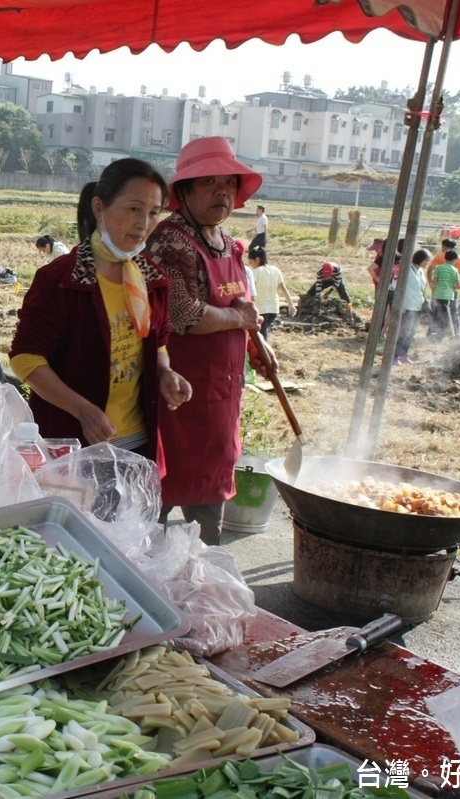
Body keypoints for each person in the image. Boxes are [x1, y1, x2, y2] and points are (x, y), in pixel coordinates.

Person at [140, 136, 275, 545]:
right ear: (182, 191)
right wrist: (238, 317)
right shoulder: (170, 240)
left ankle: (202, 584)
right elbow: (183, 315)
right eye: (208, 182)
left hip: (220, 397)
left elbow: (242, 304)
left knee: (208, 519)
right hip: (178, 397)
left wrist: (258, 343)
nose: (222, 192)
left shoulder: (228, 242)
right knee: (156, 511)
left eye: (229, 184)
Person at [9, 159, 192, 462]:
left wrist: (165, 373)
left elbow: (158, 345)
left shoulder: (154, 278)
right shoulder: (63, 280)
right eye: (133, 208)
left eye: (153, 212)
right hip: (72, 444)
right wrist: (82, 410)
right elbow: (25, 359)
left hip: (137, 442)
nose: (143, 223)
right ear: (99, 206)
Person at [248, 245, 295, 338]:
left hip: (261, 309)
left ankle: (264, 351)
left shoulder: (255, 272)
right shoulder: (275, 270)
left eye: (251, 262)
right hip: (274, 309)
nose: (250, 265)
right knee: (263, 331)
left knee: (262, 336)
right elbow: (284, 288)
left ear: (257, 259)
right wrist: (291, 305)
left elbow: (250, 290)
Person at [393, 249, 431, 365]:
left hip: (418, 306)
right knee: (404, 331)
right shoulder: (408, 270)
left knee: (412, 331)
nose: (427, 263)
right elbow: (399, 288)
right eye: (426, 261)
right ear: (419, 259)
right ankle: (395, 356)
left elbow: (422, 288)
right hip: (408, 305)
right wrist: (401, 304)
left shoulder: (420, 271)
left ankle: (404, 354)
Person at [428, 251, 460, 338]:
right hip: (448, 296)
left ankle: (431, 331)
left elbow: (434, 281)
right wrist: (452, 289)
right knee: (446, 313)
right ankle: (442, 333)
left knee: (435, 312)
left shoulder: (439, 268)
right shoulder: (455, 270)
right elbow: (458, 284)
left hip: (438, 294)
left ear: (445, 258)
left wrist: (434, 290)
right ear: (455, 259)